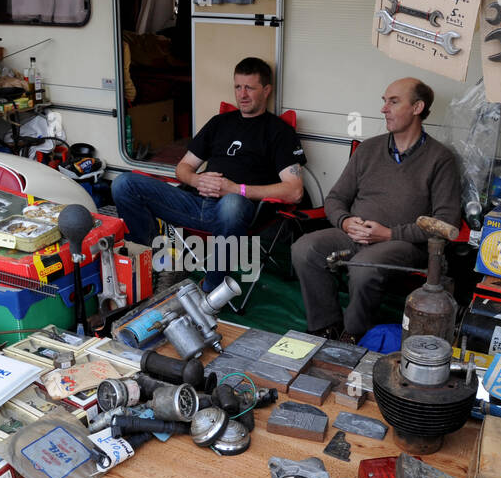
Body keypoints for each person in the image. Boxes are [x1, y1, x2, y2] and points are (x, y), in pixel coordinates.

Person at [292, 77, 462, 342]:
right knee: (305, 248)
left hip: (403, 245)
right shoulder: (369, 149)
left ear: (417, 108)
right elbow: (335, 198)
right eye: (384, 101)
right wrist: (346, 222)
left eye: (393, 101)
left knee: (364, 266)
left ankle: (354, 334)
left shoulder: (440, 159)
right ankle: (325, 326)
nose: (384, 108)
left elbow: (445, 221)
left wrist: (390, 234)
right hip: (355, 234)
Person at [112, 57, 305, 290]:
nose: (242, 94)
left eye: (250, 88)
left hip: (237, 211)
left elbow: (294, 191)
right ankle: (156, 264)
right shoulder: (219, 123)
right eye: (237, 87)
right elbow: (183, 168)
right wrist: (196, 179)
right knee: (123, 184)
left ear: (266, 90)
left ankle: (211, 290)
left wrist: (235, 189)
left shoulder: (279, 131)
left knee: (232, 204)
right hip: (194, 202)